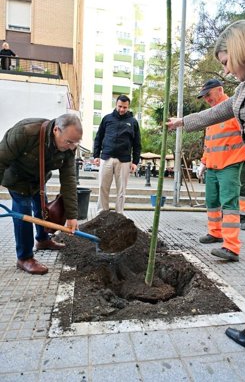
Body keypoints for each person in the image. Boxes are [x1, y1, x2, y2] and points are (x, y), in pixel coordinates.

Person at [167, 19, 245, 348]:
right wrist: (182, 122)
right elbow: (220, 112)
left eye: (226, 62)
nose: (227, 70)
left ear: (241, 49)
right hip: (228, 169)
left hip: (236, 168)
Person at [0, 114, 83, 275]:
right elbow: (1, 160)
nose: (73, 147)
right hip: (17, 179)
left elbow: (69, 180)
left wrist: (72, 216)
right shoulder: (25, 132)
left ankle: (43, 240)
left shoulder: (69, 147)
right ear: (56, 130)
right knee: (23, 213)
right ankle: (24, 258)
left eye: (76, 143)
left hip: (39, 181)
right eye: (69, 142)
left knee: (42, 209)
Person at [195, 78, 245, 262]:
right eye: (204, 97)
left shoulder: (232, 108)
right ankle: (215, 233)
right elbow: (209, 143)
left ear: (219, 90)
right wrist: (203, 162)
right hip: (212, 166)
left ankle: (231, 247)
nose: (206, 99)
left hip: (230, 165)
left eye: (208, 95)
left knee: (229, 205)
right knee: (211, 202)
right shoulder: (212, 115)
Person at [93, 94, 141, 214]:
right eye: (120, 106)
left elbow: (137, 144)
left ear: (128, 107)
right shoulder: (107, 119)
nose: (122, 109)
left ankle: (119, 214)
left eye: (125, 107)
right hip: (106, 158)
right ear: (116, 105)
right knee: (103, 187)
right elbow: (98, 137)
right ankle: (102, 213)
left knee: (121, 190)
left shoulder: (133, 122)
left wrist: (135, 162)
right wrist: (96, 155)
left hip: (124, 160)